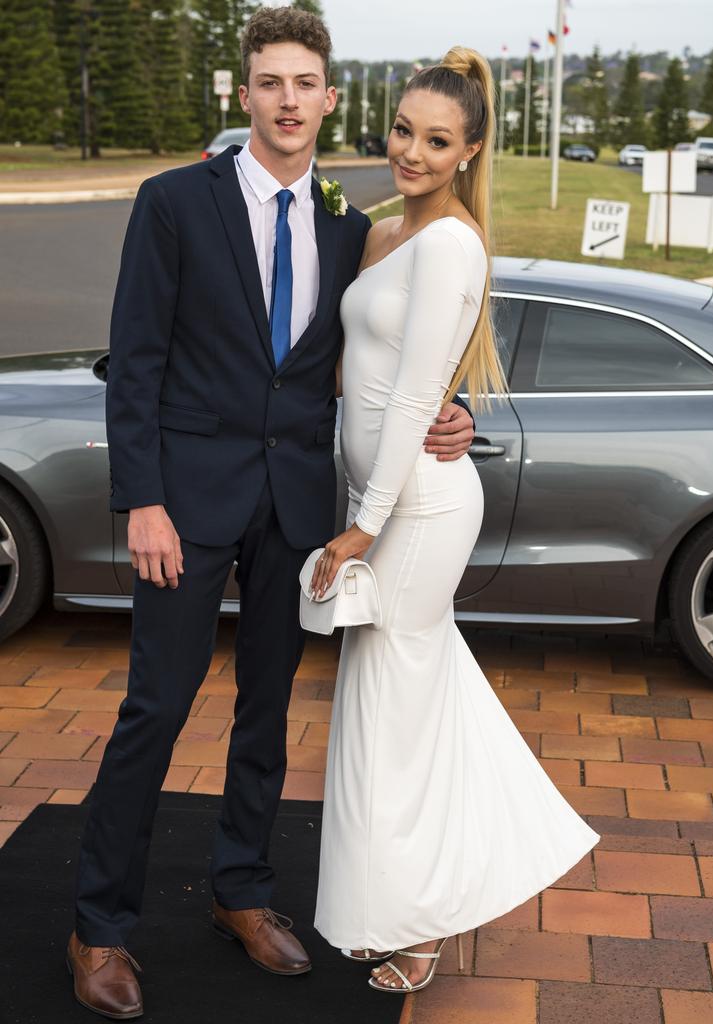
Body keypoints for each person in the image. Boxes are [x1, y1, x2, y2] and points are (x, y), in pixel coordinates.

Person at [67, 8, 475, 1020]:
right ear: (244, 93)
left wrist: (447, 412)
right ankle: (96, 923)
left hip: (295, 508)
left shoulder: (350, 230)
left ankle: (241, 892)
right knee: (154, 709)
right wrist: (143, 501)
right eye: (271, 82)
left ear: (329, 99)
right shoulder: (172, 204)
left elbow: (377, 361)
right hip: (188, 506)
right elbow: (137, 363)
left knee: (265, 714)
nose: (290, 100)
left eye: (307, 83)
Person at [311, 48, 601, 994]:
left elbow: (409, 404)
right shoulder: (387, 231)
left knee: (391, 703)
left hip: (421, 509)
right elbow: (360, 373)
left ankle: (421, 922)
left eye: (437, 140)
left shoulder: (452, 243)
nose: (412, 151)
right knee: (402, 696)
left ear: (471, 149)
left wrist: (364, 527)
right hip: (383, 500)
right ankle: (416, 886)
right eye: (403, 130)